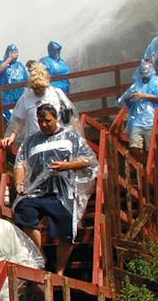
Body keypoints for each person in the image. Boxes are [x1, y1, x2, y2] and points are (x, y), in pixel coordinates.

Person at [11, 102, 98, 274]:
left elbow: (89, 160)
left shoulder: (71, 137)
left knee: (66, 231)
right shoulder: (30, 141)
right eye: (40, 121)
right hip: (36, 191)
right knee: (23, 210)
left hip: (63, 192)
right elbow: (19, 163)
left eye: (47, 121)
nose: (44, 124)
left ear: (56, 118)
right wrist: (19, 183)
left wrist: (67, 165)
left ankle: (59, 269)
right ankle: (40, 255)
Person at [7, 64, 76, 150]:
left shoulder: (56, 94)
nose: (38, 91)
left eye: (41, 88)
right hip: (35, 143)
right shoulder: (26, 98)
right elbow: (18, 121)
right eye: (35, 88)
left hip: (57, 140)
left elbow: (71, 116)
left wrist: (76, 135)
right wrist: (12, 137)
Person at [116, 61, 158, 151]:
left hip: (152, 120)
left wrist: (144, 96)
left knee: (153, 149)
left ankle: (151, 162)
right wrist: (129, 98)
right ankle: (143, 161)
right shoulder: (137, 84)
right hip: (138, 120)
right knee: (134, 147)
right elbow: (124, 100)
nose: (144, 76)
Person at [0, 44, 31, 125]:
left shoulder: (20, 65)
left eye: (16, 52)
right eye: (13, 52)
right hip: (5, 99)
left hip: (19, 97)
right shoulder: (0, 63)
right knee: (6, 121)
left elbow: (26, 80)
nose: (15, 54)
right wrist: (9, 59)